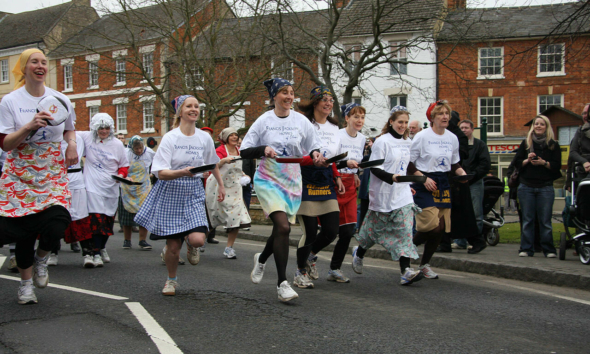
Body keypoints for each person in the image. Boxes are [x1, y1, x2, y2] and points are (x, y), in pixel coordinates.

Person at [0, 49, 78, 304]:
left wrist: (72, 145)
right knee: (24, 233)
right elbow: (6, 144)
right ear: (24, 67)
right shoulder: (10, 101)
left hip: (50, 168)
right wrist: (29, 126)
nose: (40, 66)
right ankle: (25, 285)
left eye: (44, 62)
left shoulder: (59, 98)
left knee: (59, 220)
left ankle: (42, 258)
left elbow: (69, 130)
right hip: (20, 170)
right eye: (34, 62)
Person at [240, 78, 322, 302]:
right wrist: (263, 148)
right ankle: (282, 283)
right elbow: (244, 150)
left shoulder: (301, 121)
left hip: (292, 181)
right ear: (274, 96)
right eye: (284, 92)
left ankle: (262, 258)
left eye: (291, 92)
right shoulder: (263, 120)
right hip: (268, 179)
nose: (288, 96)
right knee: (284, 227)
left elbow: (313, 145)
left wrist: (315, 154)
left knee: (280, 229)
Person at [135, 95, 225, 296]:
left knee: (198, 240)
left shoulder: (204, 137)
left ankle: (190, 244)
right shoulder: (170, 138)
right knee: (173, 247)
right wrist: (183, 172)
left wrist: (220, 184)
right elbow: (160, 172)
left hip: (193, 190)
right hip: (171, 190)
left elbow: (213, 162)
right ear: (180, 112)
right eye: (189, 106)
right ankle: (171, 280)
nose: (194, 109)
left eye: (196, 106)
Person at [352, 106, 423, 285]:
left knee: (405, 231)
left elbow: (405, 166)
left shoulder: (408, 142)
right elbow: (375, 168)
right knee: (371, 233)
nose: (403, 126)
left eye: (406, 123)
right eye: (400, 122)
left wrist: (409, 183)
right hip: (383, 193)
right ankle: (359, 252)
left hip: (403, 195)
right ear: (391, 122)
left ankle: (405, 271)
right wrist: (391, 178)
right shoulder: (382, 141)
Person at [289, 86, 345, 288]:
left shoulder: (334, 128)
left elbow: (334, 157)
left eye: (331, 100)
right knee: (310, 232)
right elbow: (294, 152)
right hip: (305, 178)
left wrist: (337, 176)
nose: (329, 103)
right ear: (314, 103)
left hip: (326, 180)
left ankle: (311, 256)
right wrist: (312, 160)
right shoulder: (303, 124)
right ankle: (300, 271)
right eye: (324, 99)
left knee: (331, 230)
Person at [307, 102, 366, 284]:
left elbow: (357, 163)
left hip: (350, 185)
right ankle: (309, 255)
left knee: (348, 231)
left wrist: (355, 174)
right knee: (329, 231)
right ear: (347, 118)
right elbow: (334, 160)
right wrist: (341, 172)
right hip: (334, 182)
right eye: (355, 116)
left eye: (362, 117)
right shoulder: (336, 134)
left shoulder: (363, 139)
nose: (359, 120)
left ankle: (334, 269)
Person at [409, 100, 468, 279]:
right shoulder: (422, 136)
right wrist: (423, 178)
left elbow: (453, 162)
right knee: (433, 226)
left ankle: (425, 264)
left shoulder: (452, 137)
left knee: (440, 228)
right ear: (432, 117)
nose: (445, 116)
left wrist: (462, 172)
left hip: (443, 182)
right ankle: (406, 248)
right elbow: (409, 164)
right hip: (423, 181)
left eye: (447, 113)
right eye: (440, 113)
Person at [77, 113, 129, 267]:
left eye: (106, 128)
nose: (104, 131)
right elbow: (69, 132)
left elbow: (124, 165)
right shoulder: (87, 138)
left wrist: (121, 175)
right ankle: (95, 253)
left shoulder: (117, 145)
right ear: (94, 128)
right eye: (100, 128)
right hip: (92, 186)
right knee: (95, 220)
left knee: (107, 222)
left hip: (111, 188)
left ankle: (101, 247)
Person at [513, 115, 562, 258]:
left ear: (547, 127)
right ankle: (526, 248)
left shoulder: (553, 145)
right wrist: (527, 160)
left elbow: (557, 166)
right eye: (536, 124)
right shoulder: (526, 144)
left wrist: (544, 163)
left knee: (545, 220)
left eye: (542, 124)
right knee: (528, 220)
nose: (538, 126)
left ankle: (549, 249)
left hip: (545, 187)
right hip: (526, 186)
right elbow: (516, 164)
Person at [206, 127, 251, 259]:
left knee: (236, 217)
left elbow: (237, 168)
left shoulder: (239, 151)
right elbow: (213, 166)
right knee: (213, 215)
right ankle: (199, 241)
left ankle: (229, 248)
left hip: (235, 188)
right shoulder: (219, 150)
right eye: (231, 135)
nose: (234, 137)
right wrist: (224, 160)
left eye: (235, 135)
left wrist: (244, 175)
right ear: (225, 138)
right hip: (218, 187)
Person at [453, 119, 491, 250]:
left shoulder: (480, 145)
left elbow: (485, 164)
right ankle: (460, 241)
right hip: (459, 181)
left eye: (466, 128)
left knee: (476, 213)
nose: (463, 130)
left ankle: (475, 241)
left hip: (474, 182)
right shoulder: (457, 145)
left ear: (472, 129)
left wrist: (472, 176)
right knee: (460, 212)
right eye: (461, 128)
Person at [120, 136, 156, 250]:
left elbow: (158, 164)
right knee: (127, 216)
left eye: (140, 148)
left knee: (144, 215)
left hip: (143, 187)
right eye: (136, 149)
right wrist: (124, 177)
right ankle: (127, 240)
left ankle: (142, 240)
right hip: (128, 187)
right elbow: (120, 167)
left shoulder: (150, 152)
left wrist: (154, 173)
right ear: (131, 147)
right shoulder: (125, 153)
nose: (139, 151)